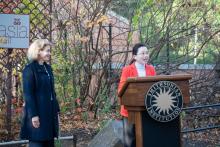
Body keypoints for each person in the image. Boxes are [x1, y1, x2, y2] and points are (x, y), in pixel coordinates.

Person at [20, 39, 60, 147]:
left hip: (49, 113)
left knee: (49, 142)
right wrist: (34, 115)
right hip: (37, 114)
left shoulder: (48, 68)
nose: (49, 53)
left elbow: (52, 92)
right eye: (47, 51)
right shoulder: (29, 70)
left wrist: (56, 110)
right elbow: (28, 94)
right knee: (37, 142)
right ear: (38, 51)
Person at [118, 43, 156, 147]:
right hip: (130, 112)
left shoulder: (151, 69)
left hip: (147, 111)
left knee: (145, 139)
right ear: (134, 56)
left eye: (147, 53)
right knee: (130, 142)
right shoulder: (127, 70)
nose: (146, 55)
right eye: (142, 53)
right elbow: (121, 90)